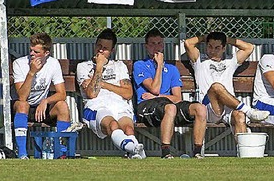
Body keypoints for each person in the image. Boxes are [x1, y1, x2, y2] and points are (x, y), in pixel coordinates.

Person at [133, 29, 208, 159]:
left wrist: (158, 97)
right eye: (152, 44)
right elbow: (154, 88)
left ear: (163, 45)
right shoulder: (140, 65)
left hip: (167, 104)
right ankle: (166, 152)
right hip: (146, 106)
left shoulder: (172, 69)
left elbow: (177, 97)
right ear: (146, 46)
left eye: (159, 43)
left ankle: (197, 152)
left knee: (200, 108)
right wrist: (160, 66)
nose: (156, 47)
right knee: (170, 107)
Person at [76, 28, 146, 159]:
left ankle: (134, 152)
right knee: (113, 125)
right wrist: (99, 67)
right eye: (99, 46)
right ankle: (135, 150)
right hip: (97, 107)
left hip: (120, 105)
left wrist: (103, 84)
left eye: (105, 48)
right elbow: (91, 93)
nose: (101, 50)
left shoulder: (119, 66)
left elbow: (128, 93)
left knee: (129, 130)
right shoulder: (83, 67)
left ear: (112, 50)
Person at [184, 32, 270, 136]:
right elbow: (188, 43)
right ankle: (249, 111)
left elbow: (249, 47)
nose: (212, 51)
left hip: (229, 107)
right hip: (209, 107)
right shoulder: (199, 60)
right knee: (216, 87)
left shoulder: (230, 61)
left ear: (224, 48)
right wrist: (205, 37)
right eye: (210, 46)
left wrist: (226, 39)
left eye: (217, 48)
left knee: (239, 116)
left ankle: (243, 150)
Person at [11, 32, 70, 159]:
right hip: (22, 107)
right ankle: (22, 153)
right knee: (23, 104)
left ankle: (61, 152)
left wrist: (46, 101)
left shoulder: (53, 64)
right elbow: (21, 96)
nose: (32, 54)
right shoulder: (19, 64)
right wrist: (31, 73)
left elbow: (62, 94)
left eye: (36, 52)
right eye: (31, 50)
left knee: (62, 106)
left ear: (46, 53)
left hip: (42, 107)